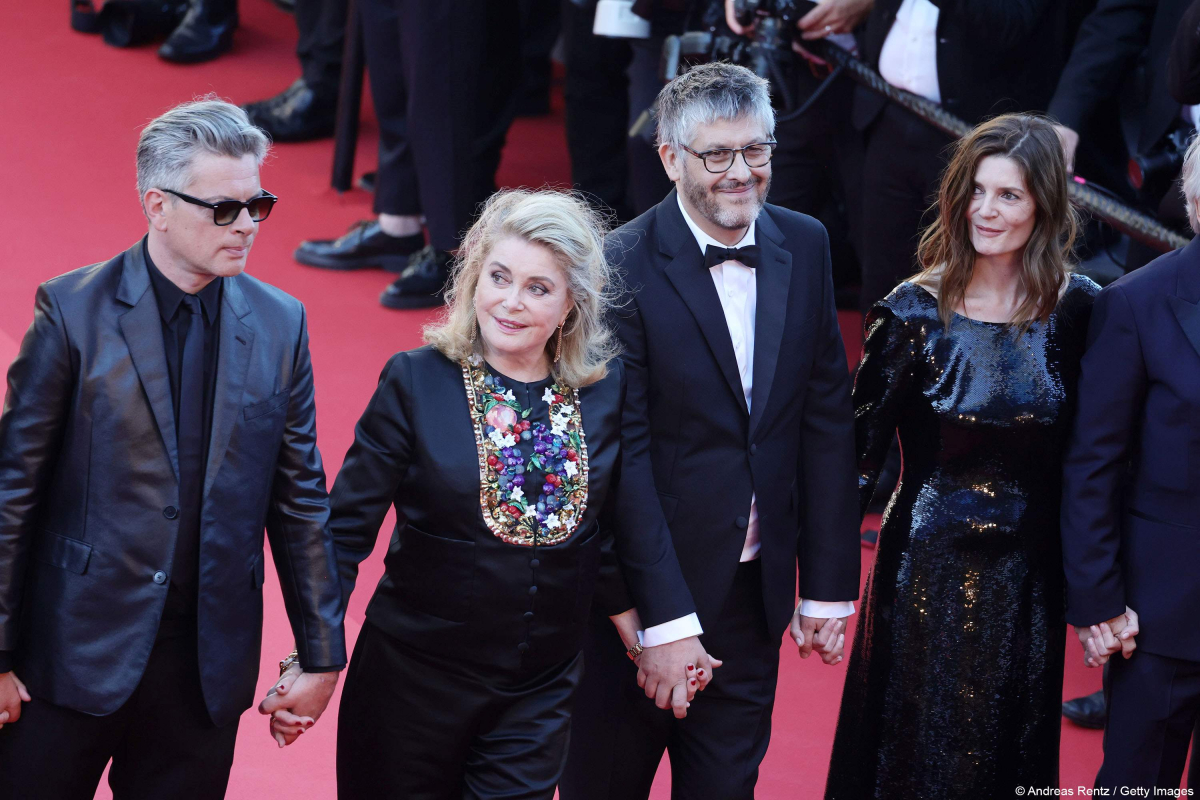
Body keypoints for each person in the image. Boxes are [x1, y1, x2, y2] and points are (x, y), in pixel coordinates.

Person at [280, 189, 717, 798]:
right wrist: (316, 657)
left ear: (571, 306)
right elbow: (344, 534)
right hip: (409, 687)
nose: (510, 303)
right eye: (499, 277)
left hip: (537, 693)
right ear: (472, 280)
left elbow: (597, 533)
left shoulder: (603, 393)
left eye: (539, 288)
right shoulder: (415, 382)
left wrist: (657, 635)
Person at [0, 98, 346, 798]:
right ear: (157, 206)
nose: (247, 225)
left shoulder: (281, 325)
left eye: (259, 205)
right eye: (225, 209)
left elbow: (301, 495)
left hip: (203, 672)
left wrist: (321, 655)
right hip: (67, 657)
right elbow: (12, 490)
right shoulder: (72, 312)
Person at [560, 61, 859, 800]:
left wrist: (825, 586)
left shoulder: (807, 242)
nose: (740, 173)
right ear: (669, 158)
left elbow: (822, 415)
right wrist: (661, 622)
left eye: (755, 151)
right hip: (632, 605)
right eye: (716, 154)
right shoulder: (617, 264)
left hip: (752, 597)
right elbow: (615, 461)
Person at [826, 114, 1100, 798]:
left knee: (1009, 753)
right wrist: (822, 590)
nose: (986, 210)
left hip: (1030, 579)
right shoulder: (913, 312)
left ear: (1043, 203)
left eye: (1008, 195)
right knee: (907, 753)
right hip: (923, 570)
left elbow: (1097, 457)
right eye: (976, 191)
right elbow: (854, 460)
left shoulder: (1081, 311)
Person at [1060, 132, 1200, 793]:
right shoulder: (1138, 302)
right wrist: (1099, 599)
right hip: (1162, 613)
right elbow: (1094, 462)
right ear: (1196, 201)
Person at [852, 0, 1071, 315]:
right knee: (880, 270)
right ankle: (876, 358)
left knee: (964, 264)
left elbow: (1010, 26)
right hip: (888, 117)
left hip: (974, 137)